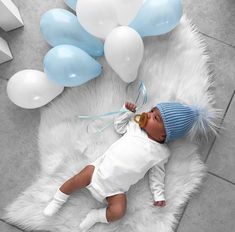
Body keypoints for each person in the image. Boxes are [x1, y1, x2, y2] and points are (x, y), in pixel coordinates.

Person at [43, 101, 210, 231]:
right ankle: (58, 200)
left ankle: (96, 216)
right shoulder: (135, 128)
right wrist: (126, 111)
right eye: (151, 110)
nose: (148, 114)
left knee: (119, 211)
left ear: (164, 134)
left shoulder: (161, 153)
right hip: (97, 172)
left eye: (155, 118)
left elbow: (157, 175)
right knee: (76, 179)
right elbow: (119, 125)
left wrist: (158, 195)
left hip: (116, 190)